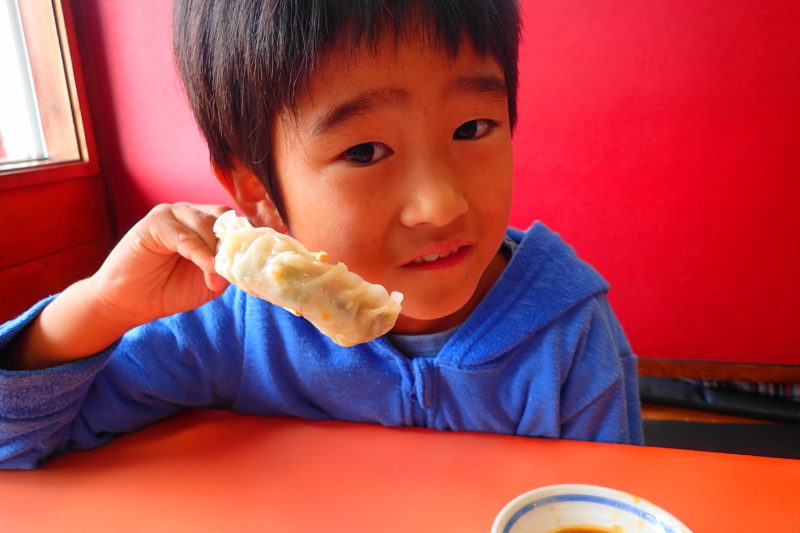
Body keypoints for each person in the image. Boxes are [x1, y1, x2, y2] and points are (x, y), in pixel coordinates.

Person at [0, 0, 642, 469]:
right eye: (365, 151)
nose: (439, 206)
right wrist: (101, 307)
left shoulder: (568, 335)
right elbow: (19, 441)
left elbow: (609, 505)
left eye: (472, 129)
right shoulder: (235, 324)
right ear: (257, 193)